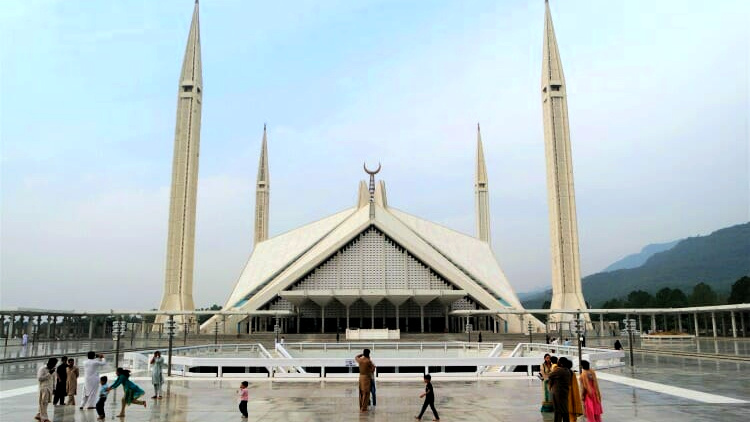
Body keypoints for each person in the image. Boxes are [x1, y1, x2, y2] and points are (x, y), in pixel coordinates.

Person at [548, 357, 571, 422]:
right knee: (564, 409)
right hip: (564, 392)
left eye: (558, 361)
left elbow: (550, 375)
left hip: (558, 393)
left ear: (561, 363)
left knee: (558, 410)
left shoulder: (560, 370)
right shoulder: (567, 370)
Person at [35, 357, 57, 422]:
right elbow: (39, 378)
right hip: (43, 388)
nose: (54, 365)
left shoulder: (53, 369)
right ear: (50, 363)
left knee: (44, 402)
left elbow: (53, 379)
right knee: (44, 403)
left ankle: (39, 414)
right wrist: (49, 373)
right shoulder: (42, 369)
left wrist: (54, 388)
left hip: (49, 388)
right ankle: (44, 418)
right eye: (54, 364)